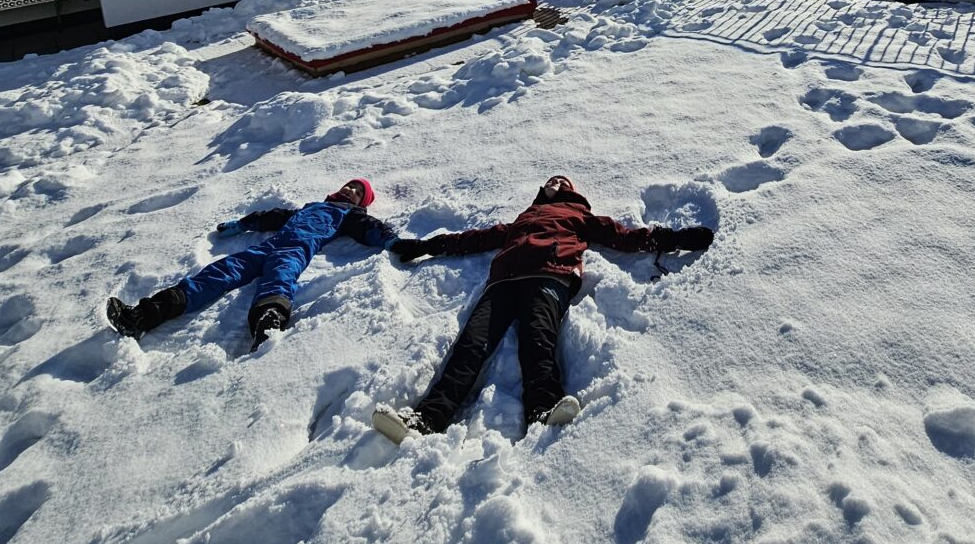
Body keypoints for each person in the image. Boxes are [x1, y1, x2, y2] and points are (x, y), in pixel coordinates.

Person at [372, 175, 713, 441]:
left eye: (562, 181)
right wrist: (425, 246)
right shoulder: (523, 219)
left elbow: (625, 237)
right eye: (552, 179)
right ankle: (426, 418)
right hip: (503, 282)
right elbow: (474, 238)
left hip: (550, 274)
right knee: (471, 345)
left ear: (571, 192)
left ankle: (544, 407)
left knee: (538, 337)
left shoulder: (580, 216)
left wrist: (675, 239)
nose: (556, 182)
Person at [107, 178, 396, 345]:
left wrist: (392, 242)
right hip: (267, 246)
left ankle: (268, 324)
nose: (351, 190)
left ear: (361, 203)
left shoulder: (350, 215)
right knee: (220, 271)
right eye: (350, 185)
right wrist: (243, 224)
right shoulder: (313, 206)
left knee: (280, 278)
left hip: (294, 250)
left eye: (359, 192)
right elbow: (276, 216)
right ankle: (145, 315)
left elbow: (370, 229)